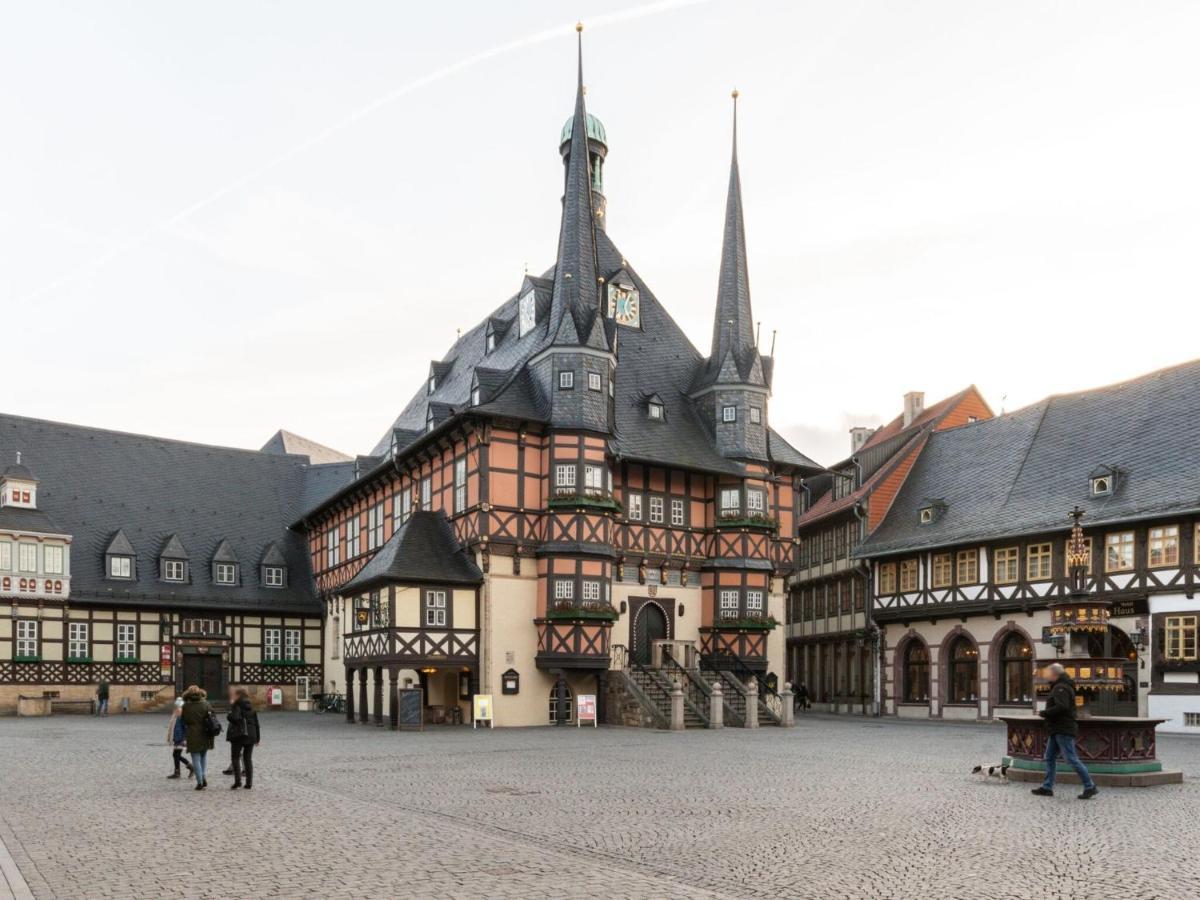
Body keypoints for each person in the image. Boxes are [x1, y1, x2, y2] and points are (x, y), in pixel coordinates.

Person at [1031, 663, 1098, 800]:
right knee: (1049, 757)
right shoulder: (1061, 686)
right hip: (1057, 729)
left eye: (1049, 673)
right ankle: (1047, 787)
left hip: (1063, 728)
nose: (1047, 676)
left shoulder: (1060, 687)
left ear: (1055, 674)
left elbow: (1062, 707)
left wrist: (1044, 713)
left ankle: (1090, 786)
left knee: (1072, 759)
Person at [226, 687, 261, 790]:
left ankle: (238, 782)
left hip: (239, 735)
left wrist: (229, 714)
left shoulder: (237, 705)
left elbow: (235, 718)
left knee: (235, 758)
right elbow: (256, 723)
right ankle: (249, 783)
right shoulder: (251, 705)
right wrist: (257, 738)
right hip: (251, 736)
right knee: (248, 759)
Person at [181, 684, 214, 791]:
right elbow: (213, 717)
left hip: (192, 733)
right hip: (205, 733)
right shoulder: (206, 704)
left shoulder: (185, 706)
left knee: (196, 758)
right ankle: (203, 777)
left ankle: (199, 782)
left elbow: (184, 720)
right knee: (203, 756)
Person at [166, 698, 194, 780]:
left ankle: (187, 768)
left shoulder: (182, 715)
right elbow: (172, 727)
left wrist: (184, 738)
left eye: (178, 706)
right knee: (176, 755)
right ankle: (180, 770)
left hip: (180, 738)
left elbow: (185, 727)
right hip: (177, 737)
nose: (176, 708)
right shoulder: (176, 714)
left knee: (176, 755)